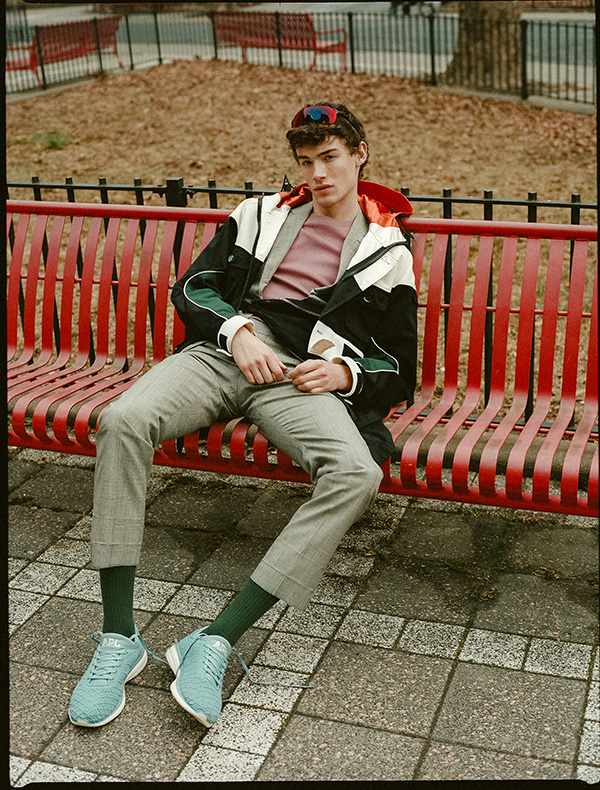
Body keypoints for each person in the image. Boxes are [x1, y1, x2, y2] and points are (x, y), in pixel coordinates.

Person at [69, 102, 418, 730]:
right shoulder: (259, 215)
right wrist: (238, 332)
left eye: (330, 158)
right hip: (223, 354)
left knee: (356, 473)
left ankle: (215, 640)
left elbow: (398, 366)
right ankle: (119, 636)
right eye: (306, 162)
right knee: (123, 421)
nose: (317, 173)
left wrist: (344, 373)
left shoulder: (388, 249)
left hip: (297, 380)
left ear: (359, 154)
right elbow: (192, 287)